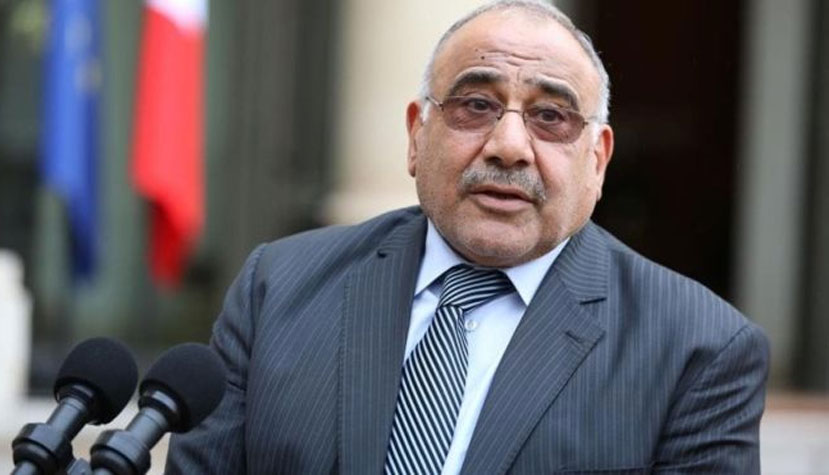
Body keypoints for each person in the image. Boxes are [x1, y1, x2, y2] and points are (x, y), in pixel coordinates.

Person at [166, 1, 770, 473]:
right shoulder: (278, 289)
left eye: (551, 116)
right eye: (476, 105)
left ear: (597, 161)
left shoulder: (699, 349)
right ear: (416, 136)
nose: (509, 147)